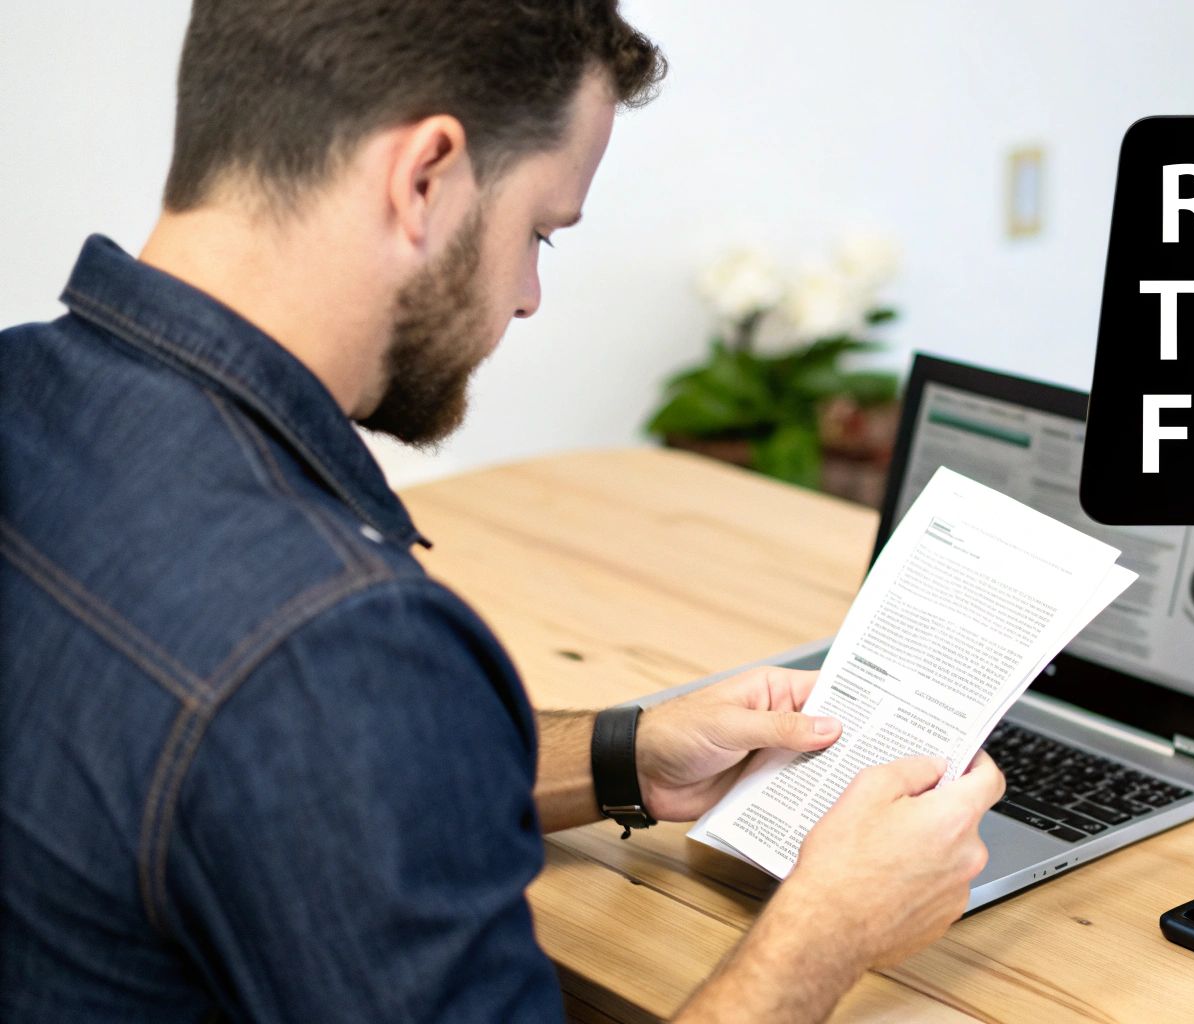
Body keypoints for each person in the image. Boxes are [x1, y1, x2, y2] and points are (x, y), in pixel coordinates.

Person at [0, 2, 1005, 1021]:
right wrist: (830, 925)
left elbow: (278, 787)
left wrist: (624, 753)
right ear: (425, 176)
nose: (526, 295)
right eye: (538, 232)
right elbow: (307, 721)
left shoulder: (19, 397)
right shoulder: (329, 643)